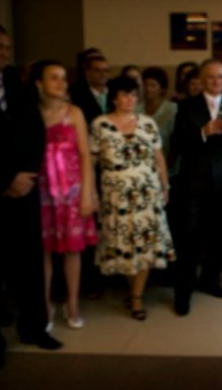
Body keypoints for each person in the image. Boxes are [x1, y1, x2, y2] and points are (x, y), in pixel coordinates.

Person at [0, 22, 62, 370]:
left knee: (29, 265)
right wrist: (5, 179)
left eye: (7, 46)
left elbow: (36, 134)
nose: (5, 52)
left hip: (25, 190)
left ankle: (34, 328)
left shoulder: (17, 87)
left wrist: (27, 175)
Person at [90, 76, 175, 321]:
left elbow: (158, 157)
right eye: (124, 94)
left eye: (133, 95)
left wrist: (165, 186)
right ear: (114, 97)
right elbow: (91, 161)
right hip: (115, 195)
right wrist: (91, 191)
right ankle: (133, 289)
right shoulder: (100, 124)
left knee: (145, 243)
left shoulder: (147, 123)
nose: (130, 99)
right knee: (123, 245)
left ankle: (137, 296)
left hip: (146, 193)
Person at [171, 59, 222, 316]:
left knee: (220, 235)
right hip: (194, 182)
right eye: (211, 77)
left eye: (220, 77)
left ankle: (210, 281)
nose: (216, 81)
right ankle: (183, 292)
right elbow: (178, 142)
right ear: (202, 80)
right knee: (189, 239)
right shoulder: (187, 105)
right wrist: (203, 131)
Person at [32, 60, 98, 330]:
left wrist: (88, 193)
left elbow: (85, 155)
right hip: (42, 191)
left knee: (73, 250)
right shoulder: (32, 113)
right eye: (53, 78)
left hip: (71, 191)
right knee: (43, 251)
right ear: (39, 83)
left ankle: (72, 304)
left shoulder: (75, 112)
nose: (60, 83)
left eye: (63, 78)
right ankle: (45, 306)